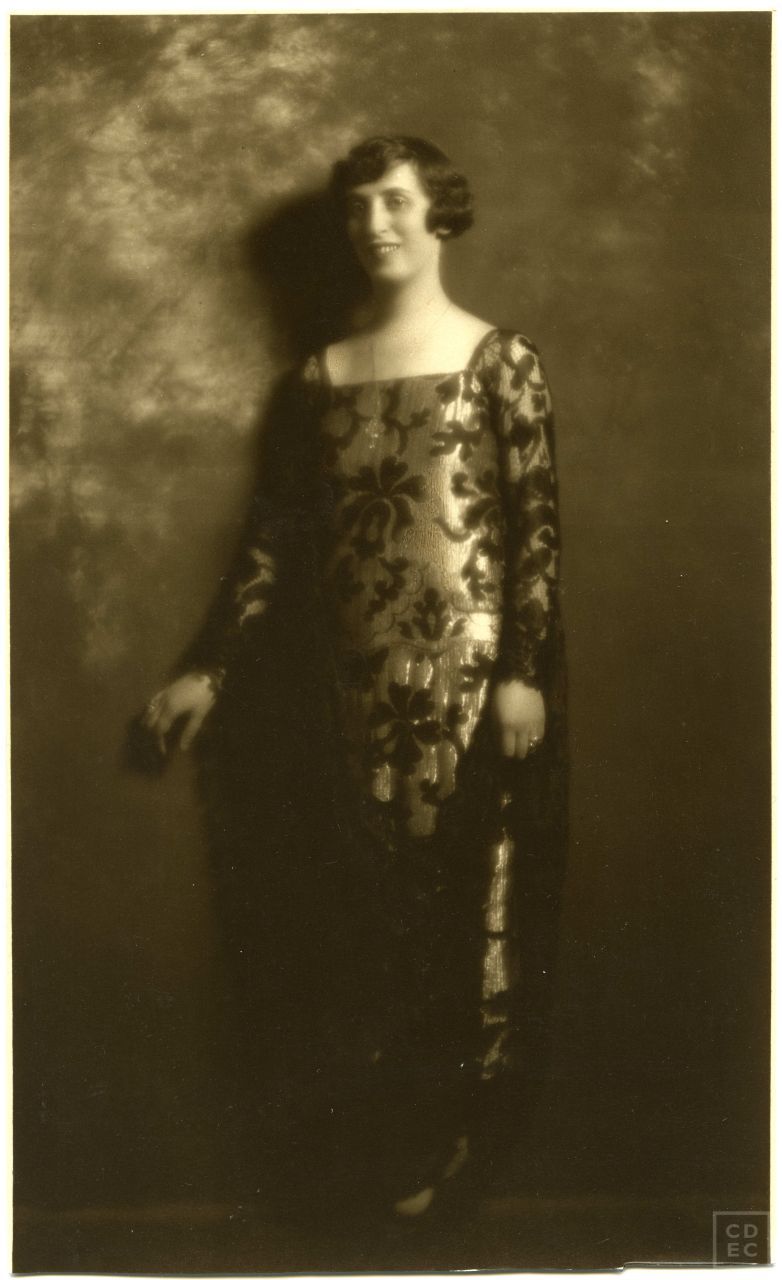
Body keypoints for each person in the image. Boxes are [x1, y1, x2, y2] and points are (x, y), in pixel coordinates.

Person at [142, 135, 567, 1223]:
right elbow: (273, 540)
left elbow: (535, 533)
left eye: (394, 201)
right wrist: (206, 669)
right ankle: (378, 1160)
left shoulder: (499, 362)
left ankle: (458, 1154)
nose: (374, 224)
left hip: (471, 691)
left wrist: (521, 674)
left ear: (439, 213)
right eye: (357, 208)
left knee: (467, 907)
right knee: (359, 919)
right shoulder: (318, 378)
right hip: (346, 696)